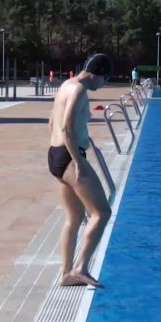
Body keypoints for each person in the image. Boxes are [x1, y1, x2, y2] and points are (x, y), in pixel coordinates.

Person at [48, 53, 113, 287]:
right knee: (101, 213)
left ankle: (66, 274)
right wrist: (77, 162)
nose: (103, 85)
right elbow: (66, 128)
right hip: (69, 156)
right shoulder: (79, 90)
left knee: (74, 217)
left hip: (56, 155)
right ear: (97, 74)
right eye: (105, 80)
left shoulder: (66, 84)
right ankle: (80, 268)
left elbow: (52, 122)